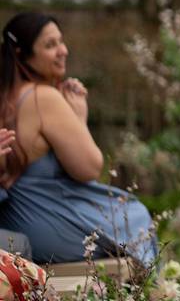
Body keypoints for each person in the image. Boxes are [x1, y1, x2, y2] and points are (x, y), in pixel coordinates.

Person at [0, 13, 156, 264]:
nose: (63, 50)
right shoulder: (43, 98)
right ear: (21, 54)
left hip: (12, 226)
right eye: (50, 45)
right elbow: (88, 168)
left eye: (61, 41)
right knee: (135, 214)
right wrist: (80, 119)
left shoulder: (5, 98)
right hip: (48, 226)